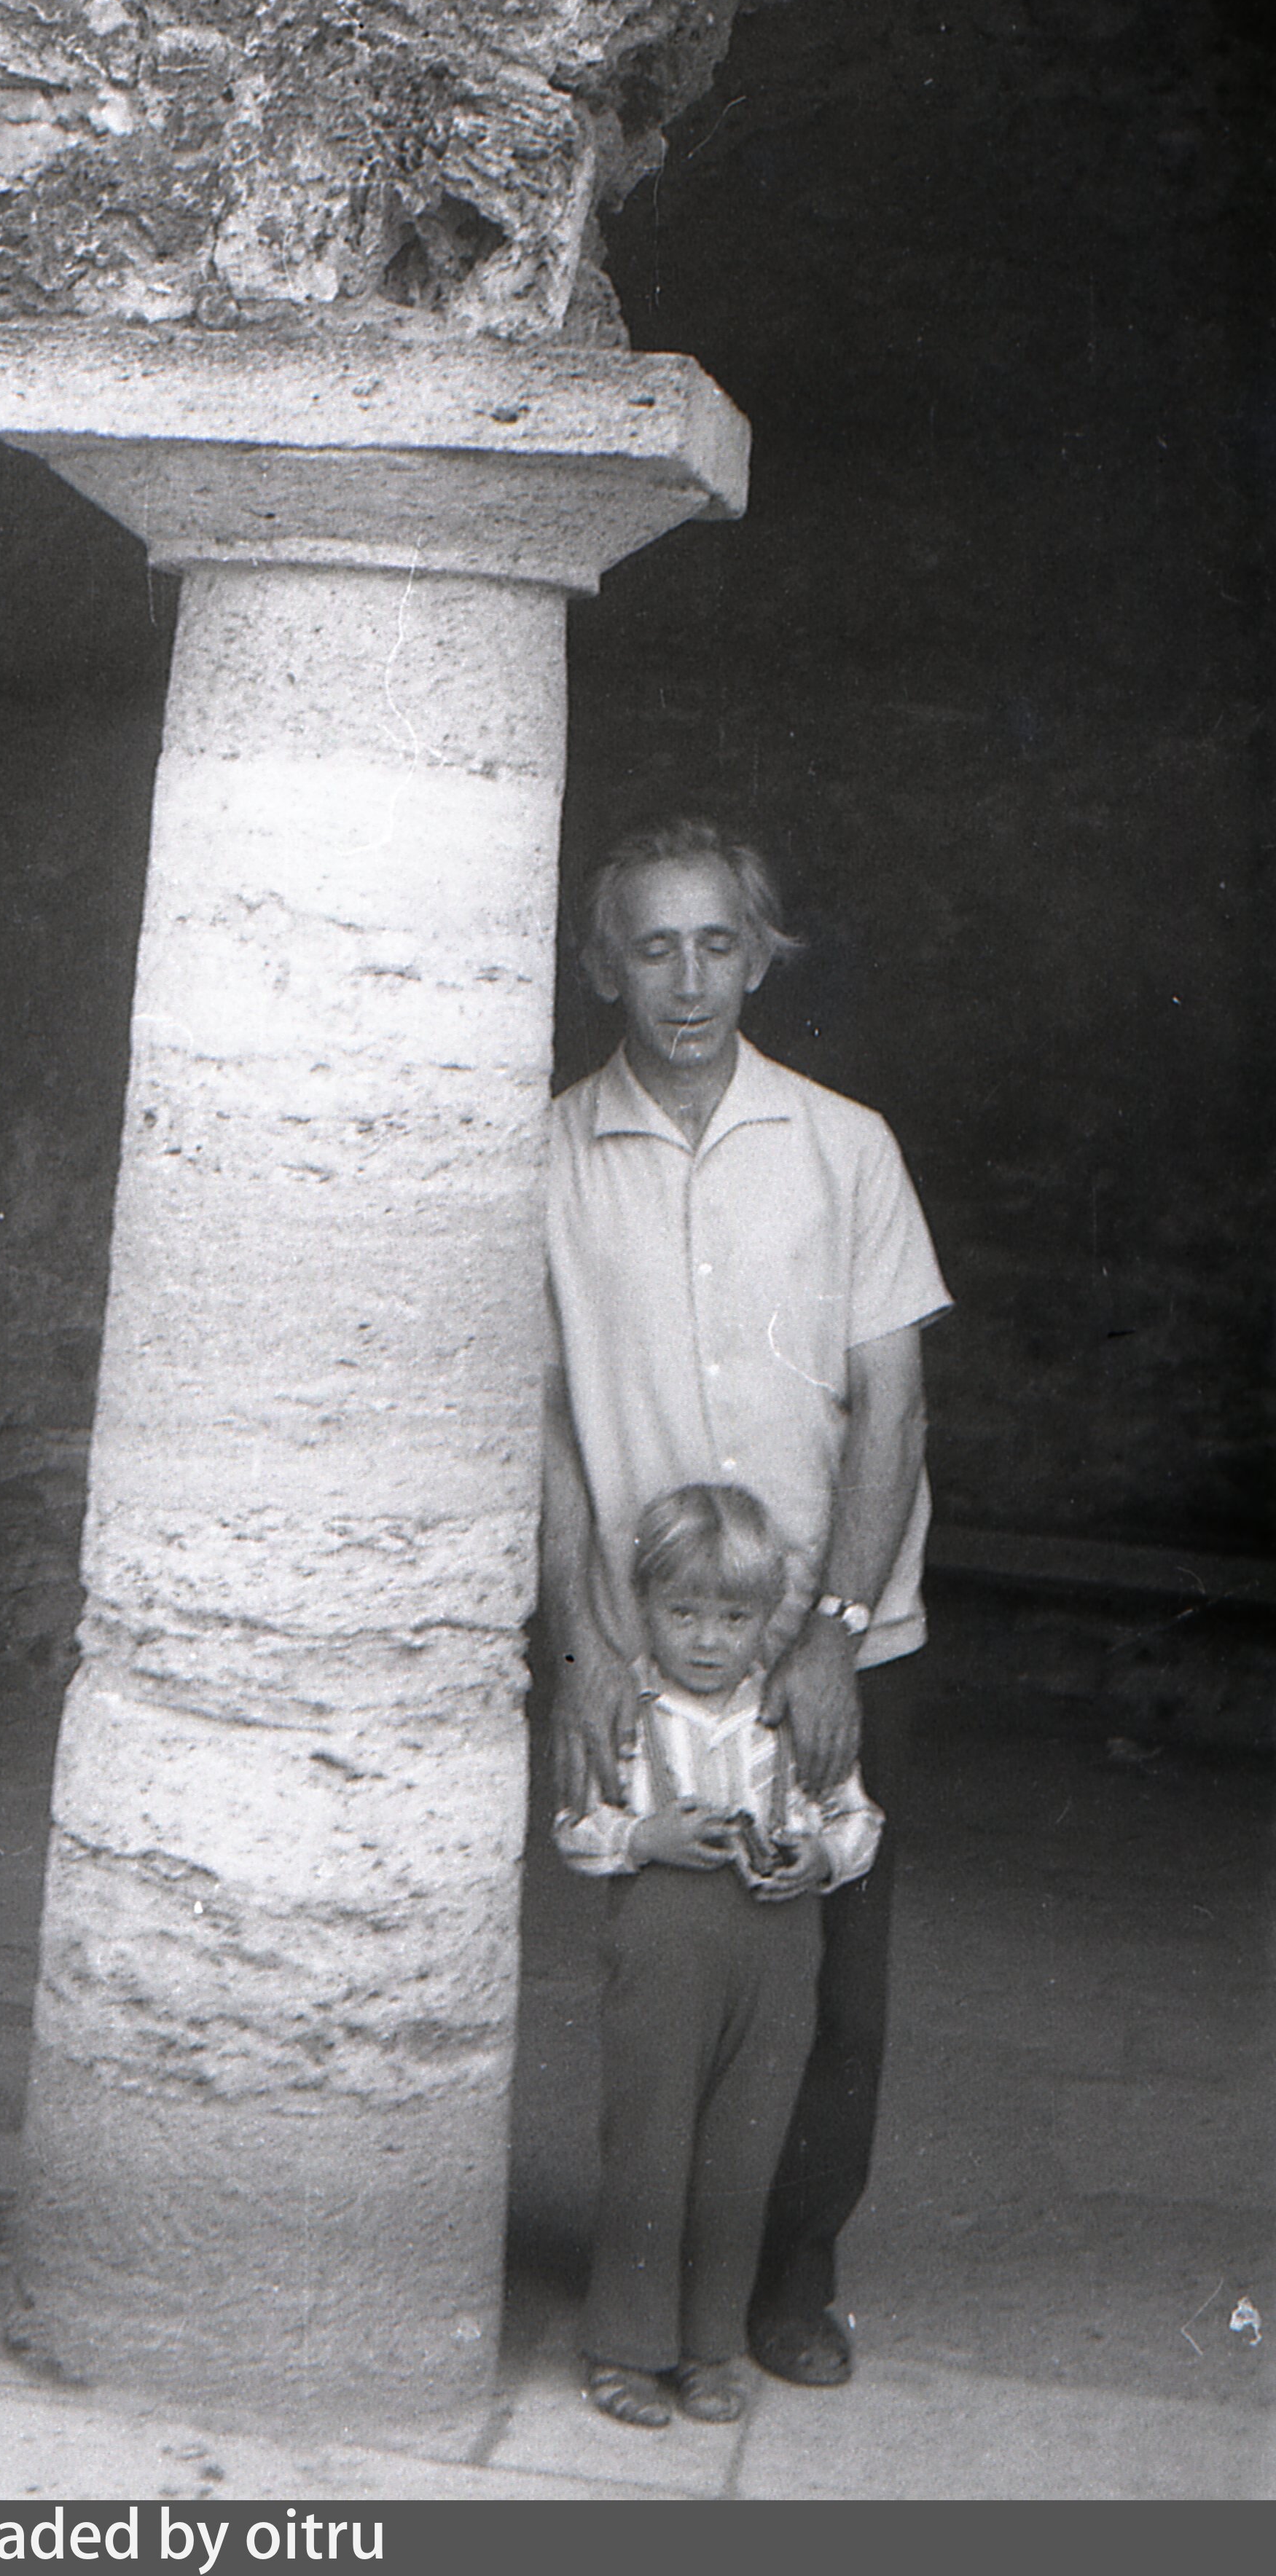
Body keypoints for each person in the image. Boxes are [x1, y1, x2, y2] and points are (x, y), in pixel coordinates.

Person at [541, 817, 951, 2390]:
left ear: (759, 955)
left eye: (718, 942)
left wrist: (835, 1633)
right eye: (653, 946)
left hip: (839, 1635)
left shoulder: (845, 1145)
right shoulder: (548, 1155)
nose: (689, 980)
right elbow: (542, 1422)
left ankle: (790, 2279)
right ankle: (653, 2300)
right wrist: (583, 1640)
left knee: (831, 1982)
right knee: (670, 1975)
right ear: (604, 968)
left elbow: (893, 1403)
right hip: (655, 1650)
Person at [556, 1480, 882, 2427]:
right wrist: (642, 1838)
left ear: (769, 1615)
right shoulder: (630, 1708)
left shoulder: (790, 1712)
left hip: (777, 1953)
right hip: (664, 1953)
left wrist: (822, 1857)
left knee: (743, 2153)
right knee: (650, 2146)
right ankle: (626, 2345)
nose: (707, 1639)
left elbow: (858, 1817)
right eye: (683, 1613)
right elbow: (577, 1825)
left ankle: (710, 2345)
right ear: (643, 1603)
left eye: (734, 1619)